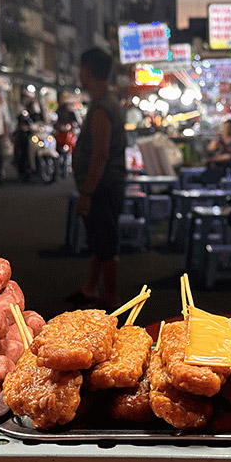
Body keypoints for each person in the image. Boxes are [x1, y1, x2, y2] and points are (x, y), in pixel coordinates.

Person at [67, 47, 127, 310]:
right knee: (99, 240)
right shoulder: (107, 102)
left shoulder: (102, 107)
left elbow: (99, 155)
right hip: (107, 184)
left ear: (87, 72)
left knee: (105, 241)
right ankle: (90, 287)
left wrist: (87, 193)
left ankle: (111, 296)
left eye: (81, 70)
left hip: (103, 187)